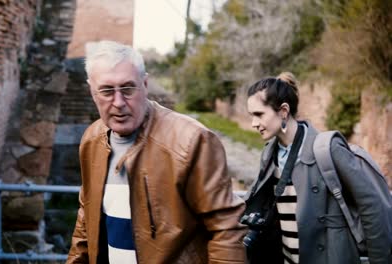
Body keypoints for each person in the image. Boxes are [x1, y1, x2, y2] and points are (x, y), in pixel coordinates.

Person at [66, 40, 247, 264]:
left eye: (128, 88)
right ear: (92, 91)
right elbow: (86, 221)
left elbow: (226, 229)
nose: (119, 102)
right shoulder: (91, 140)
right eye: (106, 91)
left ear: (145, 84)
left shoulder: (192, 140)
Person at [242, 72, 390, 264]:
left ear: (284, 111)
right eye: (251, 115)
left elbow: (373, 206)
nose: (254, 123)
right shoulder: (270, 154)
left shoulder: (327, 149)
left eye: (259, 114)